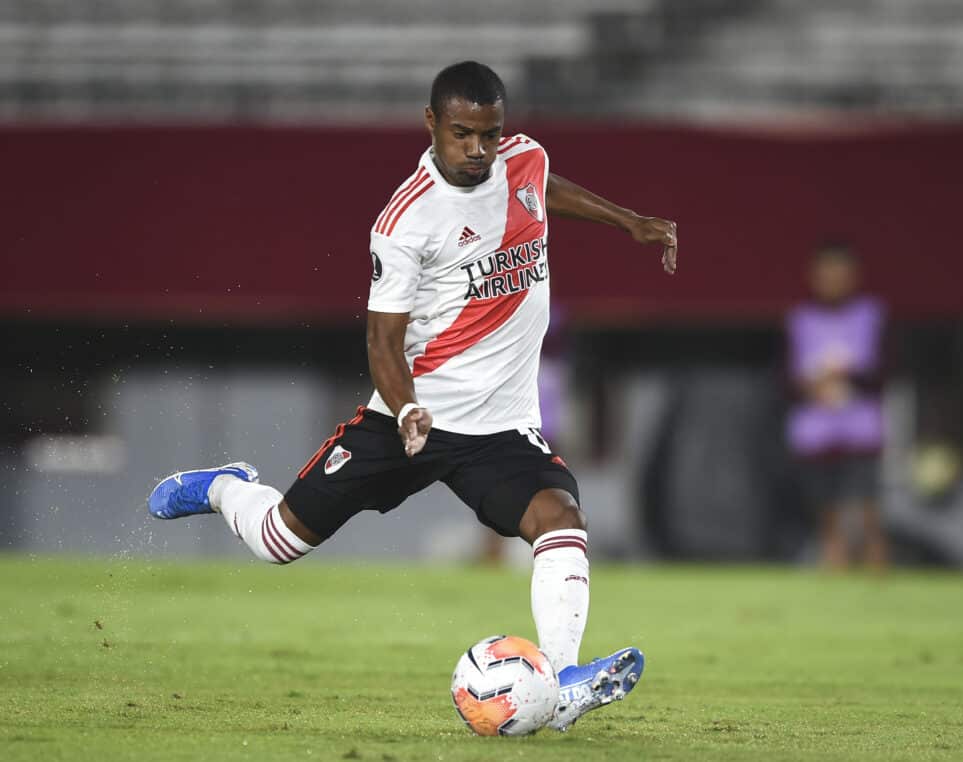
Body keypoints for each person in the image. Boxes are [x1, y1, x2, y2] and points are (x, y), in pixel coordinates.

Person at [148, 61, 677, 731]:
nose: (479, 150)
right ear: (431, 124)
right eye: (463, 134)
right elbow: (381, 343)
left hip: (499, 429)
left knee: (560, 518)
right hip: (409, 419)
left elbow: (543, 188)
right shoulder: (405, 222)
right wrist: (405, 409)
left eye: (491, 134)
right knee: (279, 540)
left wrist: (627, 220)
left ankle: (562, 678)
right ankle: (224, 486)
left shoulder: (524, 161)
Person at [786, 242, 888, 569]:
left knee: (865, 501)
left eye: (839, 275)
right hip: (816, 428)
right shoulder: (799, 319)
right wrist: (810, 386)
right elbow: (784, 377)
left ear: (853, 277)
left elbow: (885, 371)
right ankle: (834, 558)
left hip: (860, 427)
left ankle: (876, 560)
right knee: (825, 503)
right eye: (825, 275)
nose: (832, 282)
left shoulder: (872, 315)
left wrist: (851, 377)